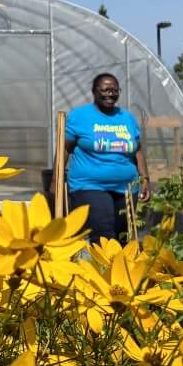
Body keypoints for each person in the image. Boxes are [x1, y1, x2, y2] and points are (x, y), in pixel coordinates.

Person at [61, 71, 142, 242]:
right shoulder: (79, 117)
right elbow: (65, 149)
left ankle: (122, 267)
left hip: (127, 187)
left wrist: (145, 178)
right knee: (104, 234)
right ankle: (102, 267)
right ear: (94, 91)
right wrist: (57, 180)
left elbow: (138, 149)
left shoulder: (127, 117)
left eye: (114, 90)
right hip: (90, 185)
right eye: (105, 90)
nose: (110, 94)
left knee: (124, 237)